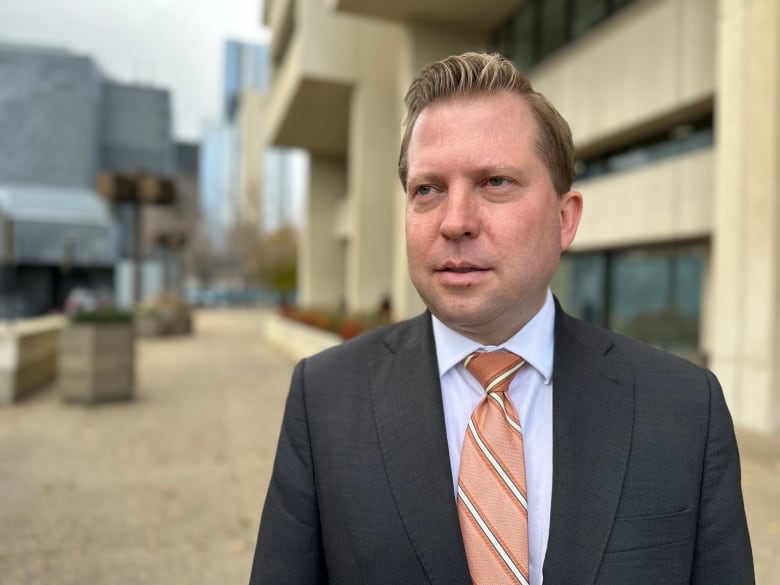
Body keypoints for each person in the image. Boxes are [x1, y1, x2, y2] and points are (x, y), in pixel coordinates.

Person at [249, 52, 754, 585]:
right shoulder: (325, 400)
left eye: (494, 182)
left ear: (565, 220)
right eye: (428, 189)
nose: (456, 222)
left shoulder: (683, 408)